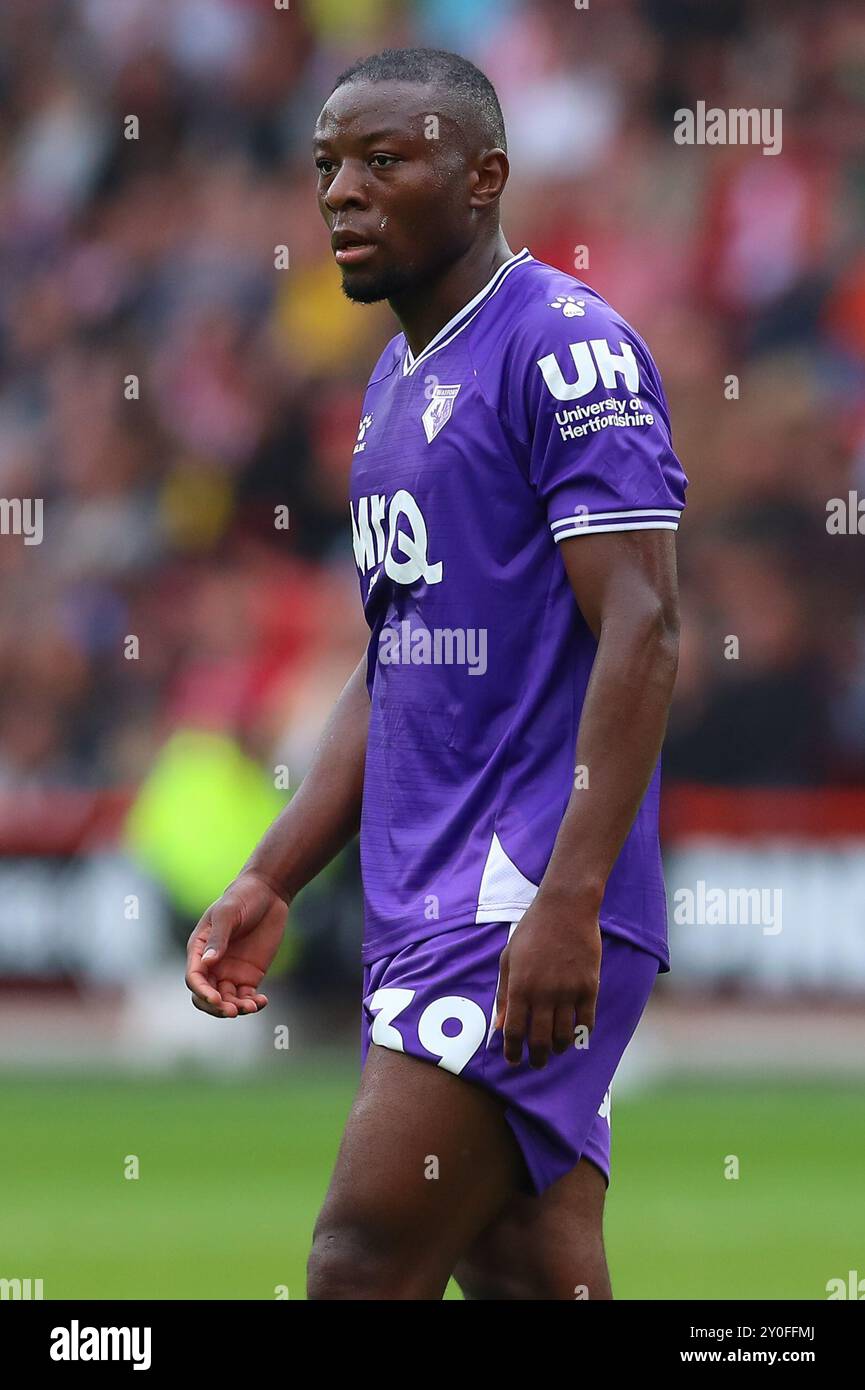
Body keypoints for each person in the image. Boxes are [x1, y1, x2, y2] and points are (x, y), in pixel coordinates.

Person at [185, 47, 687, 1300]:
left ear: (484, 178)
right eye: (325, 167)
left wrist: (567, 900)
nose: (341, 193)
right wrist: (271, 870)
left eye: (383, 161)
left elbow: (645, 627)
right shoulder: (395, 383)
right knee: (534, 1277)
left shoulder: (568, 351)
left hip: (520, 898)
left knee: (358, 1262)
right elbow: (397, 659)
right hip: (425, 903)